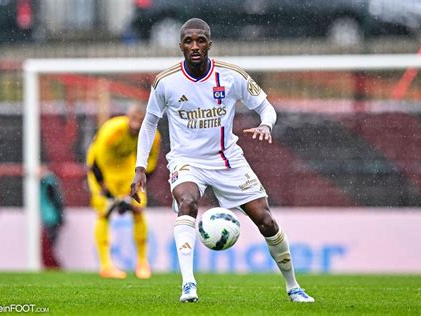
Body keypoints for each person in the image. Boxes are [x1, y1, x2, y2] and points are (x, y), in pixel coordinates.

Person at [131, 18, 315, 302]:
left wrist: (266, 124)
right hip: (186, 160)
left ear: (209, 44)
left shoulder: (232, 76)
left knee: (265, 220)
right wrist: (140, 167)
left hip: (227, 159)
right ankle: (188, 284)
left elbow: (266, 108)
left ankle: (293, 286)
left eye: (200, 40)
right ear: (180, 46)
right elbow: (149, 124)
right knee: (188, 202)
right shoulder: (165, 82)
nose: (195, 46)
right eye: (189, 41)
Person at [87, 105, 161, 279]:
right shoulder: (113, 132)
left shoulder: (154, 137)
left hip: (128, 170)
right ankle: (106, 265)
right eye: (133, 120)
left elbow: (150, 167)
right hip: (103, 171)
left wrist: (132, 193)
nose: (136, 126)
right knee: (104, 213)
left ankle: (142, 263)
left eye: (140, 122)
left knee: (138, 209)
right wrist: (107, 191)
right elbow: (96, 162)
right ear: (128, 117)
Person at [40, 165, 64, 269]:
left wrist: (59, 217)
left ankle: (53, 266)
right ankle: (52, 266)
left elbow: (57, 201)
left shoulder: (49, 183)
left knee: (48, 245)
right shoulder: (48, 183)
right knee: (49, 245)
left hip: (52, 218)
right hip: (50, 218)